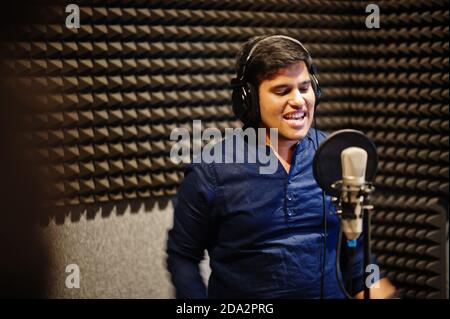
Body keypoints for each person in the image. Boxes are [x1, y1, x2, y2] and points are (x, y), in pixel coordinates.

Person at [166, 35, 395, 298]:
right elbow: (183, 256)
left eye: (305, 87)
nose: (298, 100)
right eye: (282, 90)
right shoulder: (211, 170)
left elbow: (356, 255)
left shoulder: (336, 155)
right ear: (248, 99)